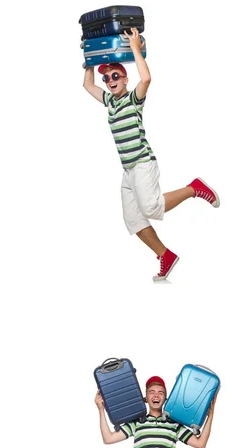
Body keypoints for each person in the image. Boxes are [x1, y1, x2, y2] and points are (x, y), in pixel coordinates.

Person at [83, 28, 220, 281]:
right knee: (133, 219)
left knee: (151, 207)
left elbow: (146, 79)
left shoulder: (133, 98)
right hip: (128, 170)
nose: (110, 79)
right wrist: (90, 59)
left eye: (115, 75)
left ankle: (194, 188)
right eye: (107, 78)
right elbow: (86, 84)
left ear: (125, 79)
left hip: (143, 163)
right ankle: (164, 255)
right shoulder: (110, 102)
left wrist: (135, 48)